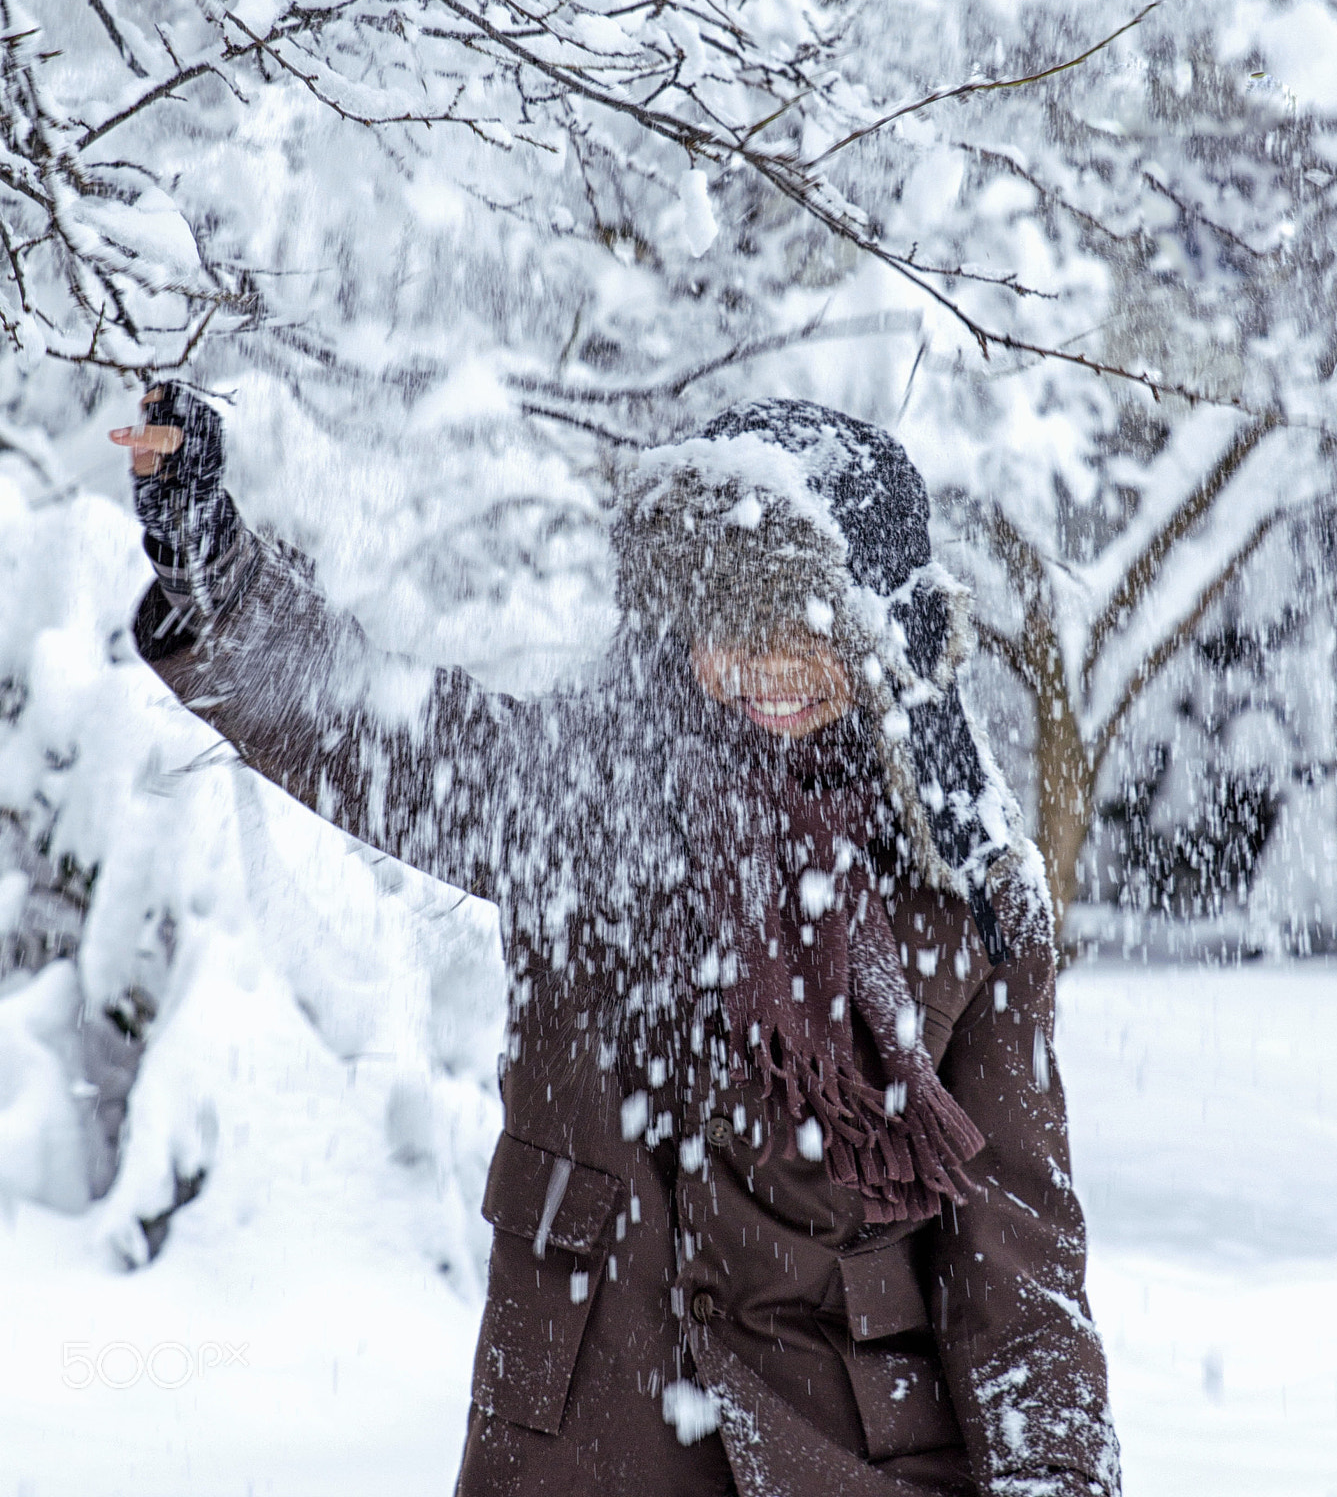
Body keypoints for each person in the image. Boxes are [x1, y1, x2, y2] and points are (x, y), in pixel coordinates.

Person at [112, 387, 1120, 1497]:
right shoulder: (592, 803)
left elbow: (1019, 1278)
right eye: (733, 625)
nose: (769, 664)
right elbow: (373, 729)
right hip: (585, 1448)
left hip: (851, 1464)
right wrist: (210, 560)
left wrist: (1055, 1479)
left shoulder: (962, 895)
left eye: (808, 628)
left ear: (883, 631)